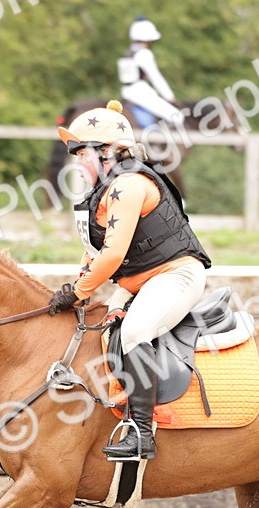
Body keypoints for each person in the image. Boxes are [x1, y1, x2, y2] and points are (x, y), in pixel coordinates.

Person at [49, 100, 211, 461]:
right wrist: (78, 283)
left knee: (136, 331)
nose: (76, 160)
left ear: (107, 152)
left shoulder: (129, 185)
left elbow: (112, 255)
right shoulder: (104, 190)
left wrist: (78, 292)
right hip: (139, 281)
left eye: (81, 152)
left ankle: (141, 432)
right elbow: (94, 251)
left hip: (175, 276)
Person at [117, 16, 182, 128]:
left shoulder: (128, 51)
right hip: (140, 93)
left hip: (126, 92)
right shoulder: (144, 54)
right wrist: (170, 97)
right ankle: (162, 144)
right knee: (177, 116)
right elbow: (156, 78)